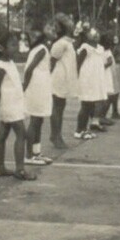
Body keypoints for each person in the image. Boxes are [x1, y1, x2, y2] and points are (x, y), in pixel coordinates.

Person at [0, 32, 37, 180]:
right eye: (12, 45)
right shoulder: (1, 66)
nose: (16, 48)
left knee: (3, 135)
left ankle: (0, 168)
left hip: (11, 103)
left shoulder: (8, 62)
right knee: (21, 134)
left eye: (17, 44)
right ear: (2, 48)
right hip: (8, 105)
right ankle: (20, 169)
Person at [23, 24, 55, 166]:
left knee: (39, 120)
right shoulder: (41, 49)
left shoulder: (41, 48)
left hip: (41, 86)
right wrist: (24, 86)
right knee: (35, 120)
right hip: (36, 86)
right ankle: (29, 155)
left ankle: (36, 152)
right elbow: (29, 69)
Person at [49, 13, 78, 149]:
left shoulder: (68, 42)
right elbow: (52, 62)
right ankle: (56, 136)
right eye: (68, 22)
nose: (72, 25)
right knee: (57, 107)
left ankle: (56, 134)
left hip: (65, 78)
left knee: (61, 107)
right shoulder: (60, 43)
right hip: (59, 78)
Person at [75, 27, 103, 140]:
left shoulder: (100, 48)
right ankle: (79, 130)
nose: (96, 36)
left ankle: (84, 129)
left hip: (94, 81)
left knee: (91, 105)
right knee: (85, 105)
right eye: (93, 34)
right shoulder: (85, 48)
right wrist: (76, 79)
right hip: (86, 80)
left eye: (97, 34)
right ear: (87, 36)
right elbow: (78, 64)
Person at [100, 32, 120, 121]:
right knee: (111, 95)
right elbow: (109, 62)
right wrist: (102, 68)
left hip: (109, 73)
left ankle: (112, 113)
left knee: (113, 94)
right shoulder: (107, 51)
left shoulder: (101, 50)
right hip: (110, 74)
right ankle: (103, 116)